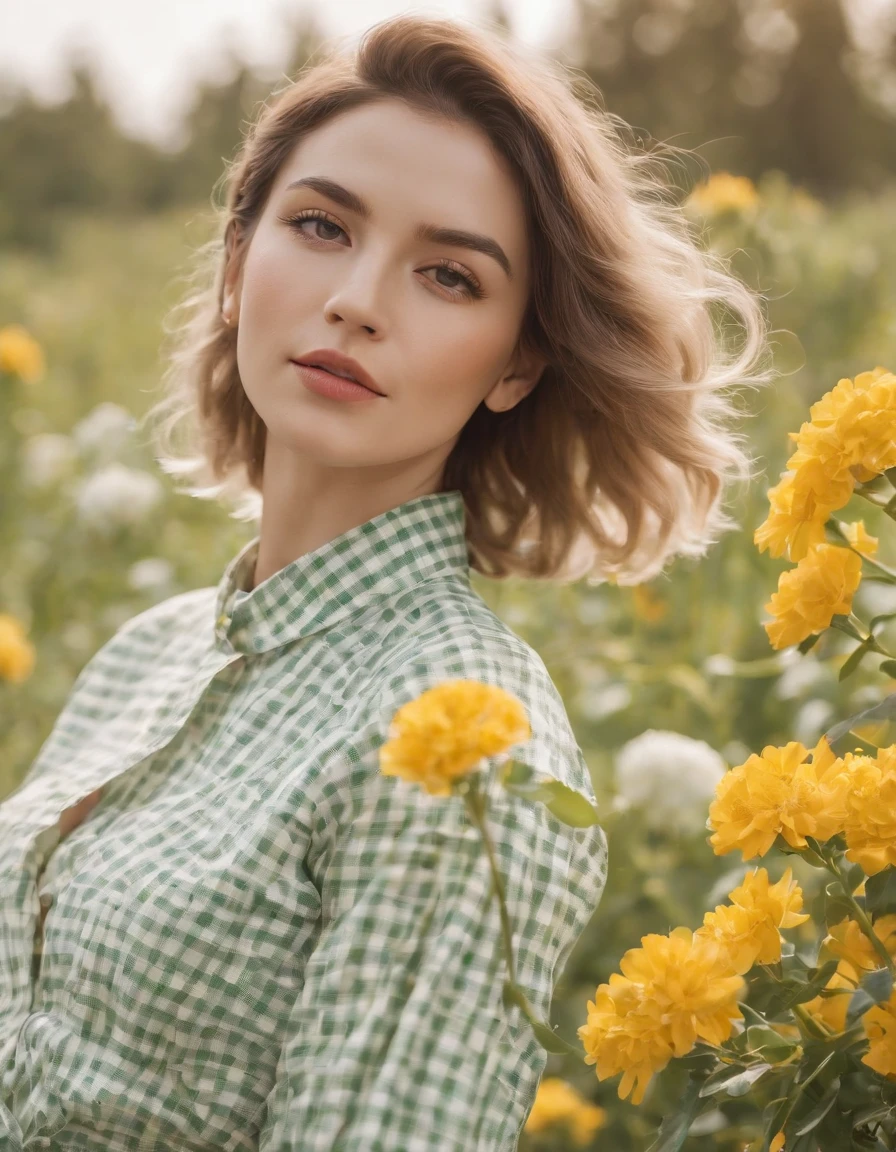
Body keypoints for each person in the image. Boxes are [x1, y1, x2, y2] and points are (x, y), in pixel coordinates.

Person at [0, 13, 772, 1151]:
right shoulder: (148, 651)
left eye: (449, 277)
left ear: (518, 362)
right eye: (319, 225)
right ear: (233, 266)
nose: (358, 298)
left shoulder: (465, 747)